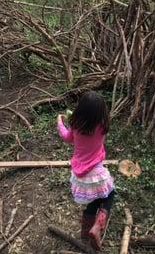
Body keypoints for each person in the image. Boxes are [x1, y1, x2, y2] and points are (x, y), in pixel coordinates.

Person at [57, 91, 115, 250]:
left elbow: (66, 137)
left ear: (80, 110)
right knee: (110, 194)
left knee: (93, 201)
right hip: (96, 172)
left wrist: (60, 123)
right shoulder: (103, 126)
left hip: (80, 174)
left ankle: (85, 232)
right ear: (101, 112)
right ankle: (97, 227)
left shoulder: (76, 126)